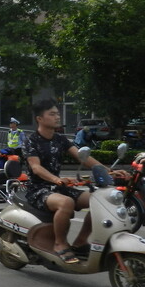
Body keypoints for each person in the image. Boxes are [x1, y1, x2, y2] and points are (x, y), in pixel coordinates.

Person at [23, 99, 117, 265]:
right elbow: (36, 167)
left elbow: (84, 158)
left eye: (57, 113)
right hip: (38, 189)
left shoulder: (60, 139)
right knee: (65, 203)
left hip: (59, 186)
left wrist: (109, 171)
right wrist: (55, 179)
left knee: (99, 199)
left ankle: (80, 241)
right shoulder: (31, 141)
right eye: (52, 114)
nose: (57, 117)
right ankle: (60, 243)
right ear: (40, 118)